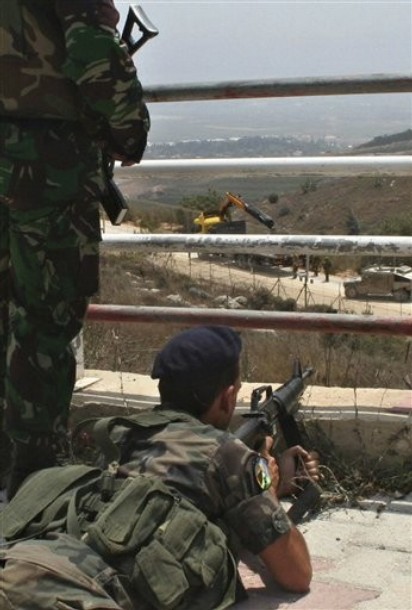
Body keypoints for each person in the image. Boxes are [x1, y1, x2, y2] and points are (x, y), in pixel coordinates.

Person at [0, 0, 150, 498]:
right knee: (44, 320)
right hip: (46, 171)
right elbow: (92, 51)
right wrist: (130, 131)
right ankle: (37, 480)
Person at [120, 325, 320, 595]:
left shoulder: (127, 434)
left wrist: (271, 482)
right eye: (236, 391)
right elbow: (297, 576)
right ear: (227, 399)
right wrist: (267, 491)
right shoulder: (225, 455)